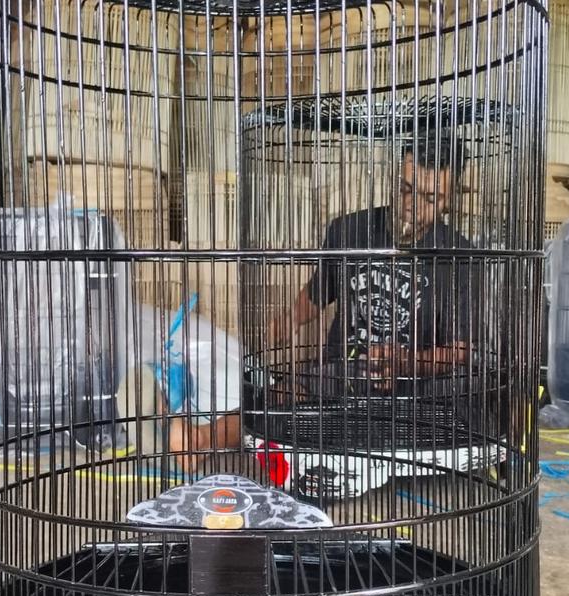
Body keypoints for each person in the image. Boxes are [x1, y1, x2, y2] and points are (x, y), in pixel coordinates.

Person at [169, 132, 477, 471]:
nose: (413, 206)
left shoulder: (460, 256)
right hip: (343, 373)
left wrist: (406, 363)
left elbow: (462, 350)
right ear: (395, 178)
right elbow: (318, 293)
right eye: (406, 189)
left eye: (431, 198)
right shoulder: (350, 230)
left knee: (467, 391)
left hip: (415, 387)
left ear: (449, 199)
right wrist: (290, 320)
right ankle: (202, 440)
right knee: (283, 394)